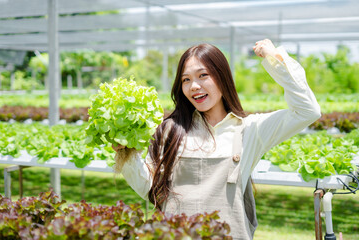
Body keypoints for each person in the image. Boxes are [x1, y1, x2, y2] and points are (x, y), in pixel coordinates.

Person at [113, 39, 321, 240]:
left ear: (222, 77)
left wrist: (274, 59)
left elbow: (307, 111)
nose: (194, 86)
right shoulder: (170, 130)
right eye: (186, 79)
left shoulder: (250, 129)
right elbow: (150, 189)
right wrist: (126, 152)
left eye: (203, 75)